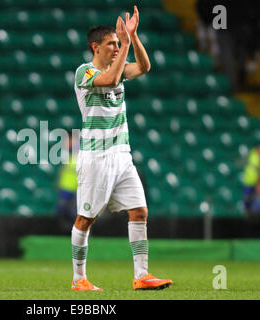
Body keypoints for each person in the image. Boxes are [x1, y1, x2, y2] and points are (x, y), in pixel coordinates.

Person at [71, 6, 172, 291]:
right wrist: (125, 43)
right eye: (111, 44)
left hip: (122, 155)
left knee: (139, 211)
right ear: (95, 47)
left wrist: (134, 37)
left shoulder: (119, 67)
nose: (116, 47)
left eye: (118, 43)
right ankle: (79, 279)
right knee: (86, 218)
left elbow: (144, 67)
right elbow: (111, 79)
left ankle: (142, 276)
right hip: (96, 157)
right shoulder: (84, 72)